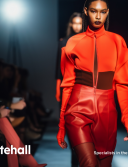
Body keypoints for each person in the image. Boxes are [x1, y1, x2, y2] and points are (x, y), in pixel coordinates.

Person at [56, 0, 128, 167]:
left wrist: (127, 118)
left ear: (108, 13)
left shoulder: (117, 41)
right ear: (86, 11)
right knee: (88, 164)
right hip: (77, 108)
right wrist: (62, 124)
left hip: (107, 110)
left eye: (103, 12)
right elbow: (68, 84)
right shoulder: (72, 43)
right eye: (93, 11)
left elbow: (122, 84)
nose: (98, 16)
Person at [55, 12, 82, 167]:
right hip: (68, 89)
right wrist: (57, 88)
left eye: (80, 23)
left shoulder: (90, 41)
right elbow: (58, 68)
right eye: (75, 23)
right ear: (71, 24)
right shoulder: (63, 42)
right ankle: (75, 161)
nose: (77, 26)